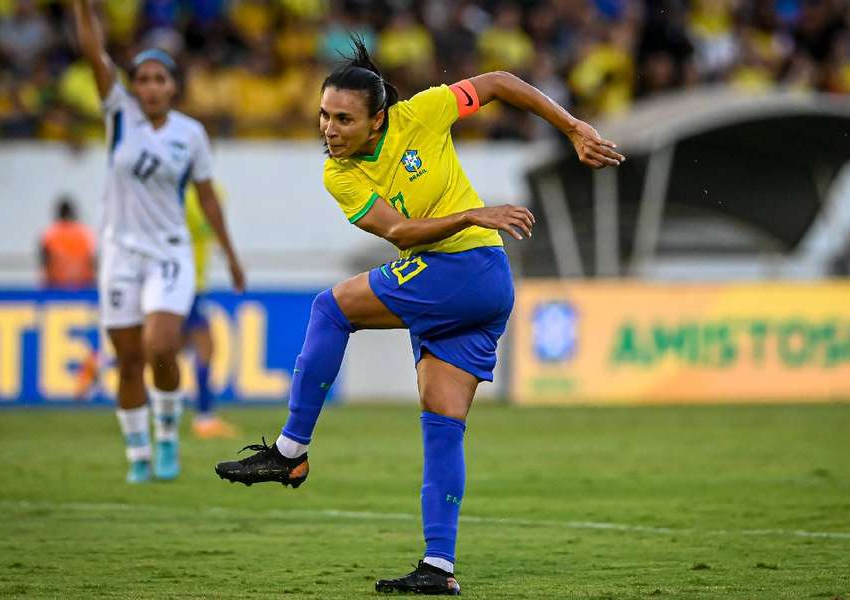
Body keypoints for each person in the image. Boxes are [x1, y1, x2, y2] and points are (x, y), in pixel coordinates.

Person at [215, 39, 622, 595]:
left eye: (343, 119)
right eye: (324, 116)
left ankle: (290, 452)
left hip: (466, 269)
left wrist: (574, 127)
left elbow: (500, 81)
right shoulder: (340, 175)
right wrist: (472, 213)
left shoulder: (423, 113)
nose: (329, 130)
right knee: (441, 423)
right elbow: (400, 233)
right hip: (470, 280)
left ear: (377, 117)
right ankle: (438, 567)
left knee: (330, 310)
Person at [72, 0, 245, 484]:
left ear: (173, 86)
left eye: (159, 78)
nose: (150, 86)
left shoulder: (190, 135)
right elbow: (92, 50)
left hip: (170, 252)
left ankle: (167, 433)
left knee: (161, 346)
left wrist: (231, 256)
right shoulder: (118, 115)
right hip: (120, 253)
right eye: (142, 78)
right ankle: (138, 453)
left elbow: (208, 200)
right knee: (127, 360)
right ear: (133, 85)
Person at [183, 183, 239, 439]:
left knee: (169, 347)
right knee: (205, 345)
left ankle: (101, 362)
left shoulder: (208, 192)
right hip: (183, 282)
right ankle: (204, 418)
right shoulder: (186, 194)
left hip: (193, 282)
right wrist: (232, 260)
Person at [39, 195, 96, 289]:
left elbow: (44, 262)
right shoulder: (85, 233)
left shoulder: (50, 234)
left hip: (56, 288)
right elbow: (92, 261)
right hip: (83, 288)